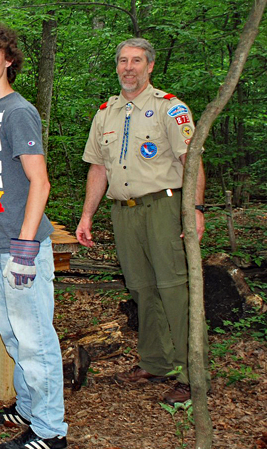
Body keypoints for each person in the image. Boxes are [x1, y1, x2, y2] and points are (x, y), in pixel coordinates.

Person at [75, 37, 209, 405]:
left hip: (164, 208)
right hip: (124, 212)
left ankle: (191, 373)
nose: (128, 67)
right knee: (141, 289)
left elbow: (191, 163)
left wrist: (195, 210)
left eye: (136, 61)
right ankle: (155, 361)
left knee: (173, 289)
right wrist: (87, 216)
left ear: (150, 66)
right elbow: (98, 168)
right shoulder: (107, 113)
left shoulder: (170, 109)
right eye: (122, 61)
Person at [0, 23, 68, 449]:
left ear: (8, 60)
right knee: (12, 336)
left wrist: (25, 248)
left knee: (37, 341)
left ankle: (50, 431)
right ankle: (26, 408)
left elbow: (39, 183)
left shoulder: (19, 110)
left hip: (24, 248)